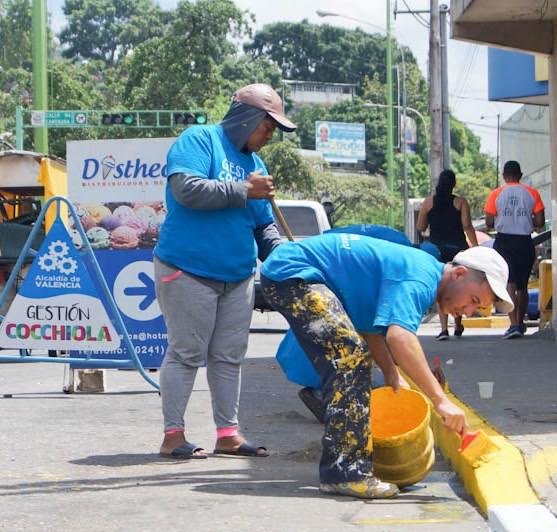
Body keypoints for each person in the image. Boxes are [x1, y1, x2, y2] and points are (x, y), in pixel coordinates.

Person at [260, 234, 513, 499]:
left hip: (294, 272)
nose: (468, 311)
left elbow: (370, 327)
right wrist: (440, 401)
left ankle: (346, 465)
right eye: (473, 299)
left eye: (477, 308)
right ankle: (344, 472)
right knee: (350, 358)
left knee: (353, 353)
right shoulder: (420, 279)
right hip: (294, 273)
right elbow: (400, 337)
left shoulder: (420, 271)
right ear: (459, 273)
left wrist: (392, 374)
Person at [153, 83, 296, 459]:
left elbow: (263, 226)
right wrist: (242, 190)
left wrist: (286, 257)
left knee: (229, 356)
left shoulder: (256, 165)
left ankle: (228, 434)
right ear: (248, 118)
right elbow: (187, 190)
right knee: (186, 353)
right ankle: (173, 436)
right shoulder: (200, 140)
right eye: (267, 127)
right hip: (187, 270)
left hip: (238, 277)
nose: (269, 137)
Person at [484, 160, 545, 339]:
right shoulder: (532, 193)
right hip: (525, 242)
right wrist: (525, 220)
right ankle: (521, 322)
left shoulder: (496, 194)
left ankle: (513, 324)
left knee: (508, 282)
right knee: (522, 285)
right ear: (520, 175)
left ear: (504, 176)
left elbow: (488, 223)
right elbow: (540, 222)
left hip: (504, 242)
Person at [416, 169, 478, 340]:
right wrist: (476, 246)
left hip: (437, 250)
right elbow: (467, 226)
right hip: (458, 249)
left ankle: (444, 329)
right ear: (454, 185)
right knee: (459, 284)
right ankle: (458, 325)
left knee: (440, 285)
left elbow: (420, 227)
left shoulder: (428, 203)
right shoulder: (460, 202)